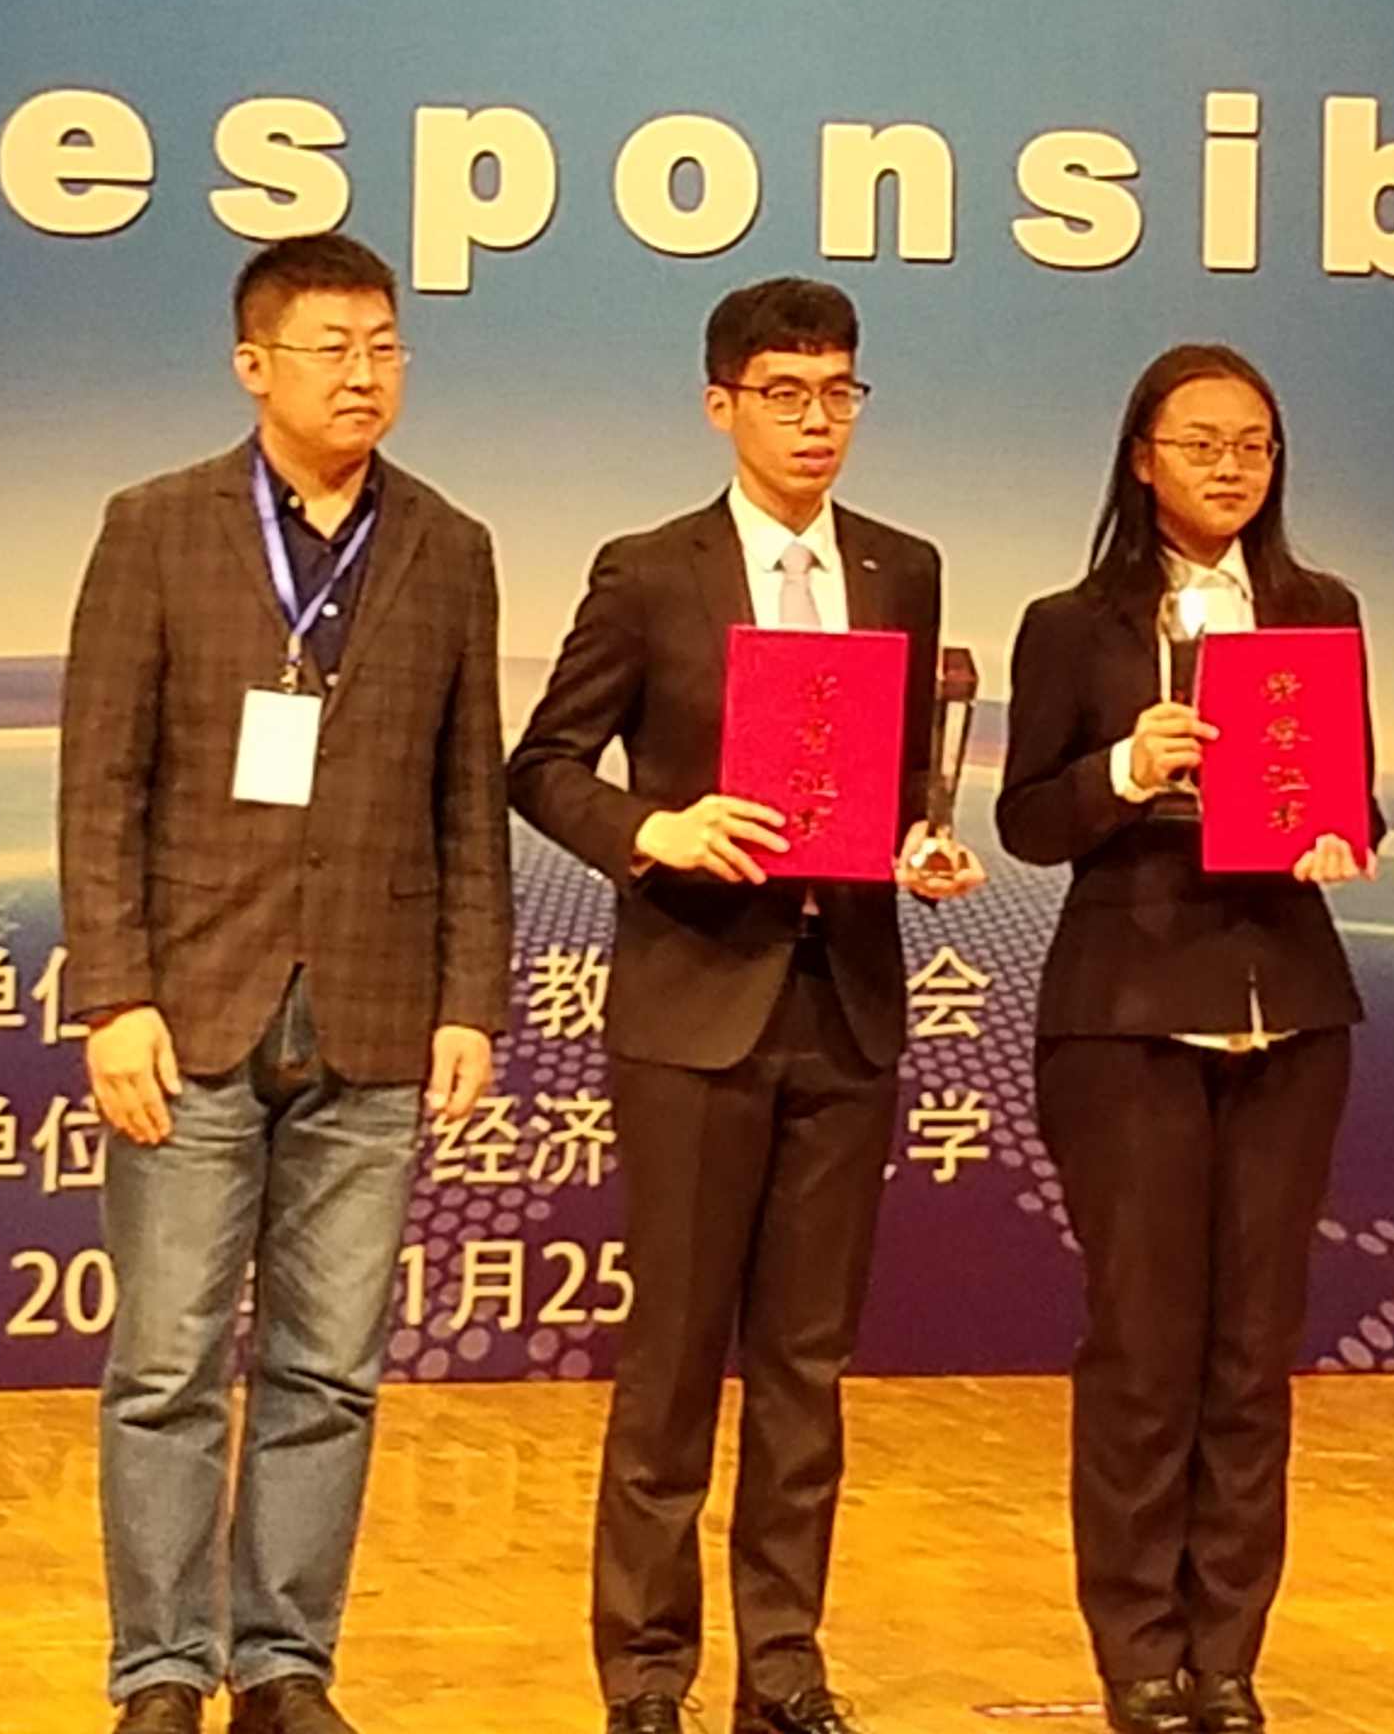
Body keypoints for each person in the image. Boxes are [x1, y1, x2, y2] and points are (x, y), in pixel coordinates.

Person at [506, 276, 985, 1734]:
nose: (816, 422)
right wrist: (654, 829)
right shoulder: (650, 572)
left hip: (846, 1005)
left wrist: (921, 842)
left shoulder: (901, 568)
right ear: (721, 405)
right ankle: (648, 1669)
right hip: (695, 1006)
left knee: (806, 1366)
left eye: (839, 392)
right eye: (785, 395)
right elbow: (544, 765)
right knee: (671, 1360)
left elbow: (897, 781)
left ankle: (784, 1665)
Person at [54, 233, 514, 1734]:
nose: (363, 374)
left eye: (384, 345)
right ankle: (160, 1673)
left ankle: (285, 1665)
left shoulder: (449, 543)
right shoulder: (156, 527)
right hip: (190, 1006)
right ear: (253, 365)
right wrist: (112, 995)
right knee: (167, 1364)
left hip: (377, 1010)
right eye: (331, 348)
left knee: (330, 1371)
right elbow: (101, 781)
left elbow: (468, 794)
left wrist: (471, 998)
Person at [995, 344, 1379, 1734]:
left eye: (1254, 444)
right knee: (1145, 1350)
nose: (1231, 466)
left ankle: (1228, 1652)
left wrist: (1339, 831)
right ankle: (1139, 1651)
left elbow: (1353, 801)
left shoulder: (1319, 610)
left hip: (1291, 1011)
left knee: (1254, 1355)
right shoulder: (1074, 623)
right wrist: (1123, 768)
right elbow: (1027, 820)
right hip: (1130, 1019)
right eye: (1202, 442)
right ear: (1143, 457)